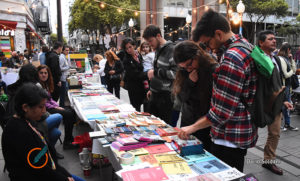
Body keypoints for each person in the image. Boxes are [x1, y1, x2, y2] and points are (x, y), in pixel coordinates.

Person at [178, 10, 258, 172]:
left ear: (218, 34)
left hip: (229, 137)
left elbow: (221, 112)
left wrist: (192, 127)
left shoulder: (231, 59)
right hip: (240, 131)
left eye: (207, 43)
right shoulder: (246, 45)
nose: (208, 49)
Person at [2, 83, 84, 181]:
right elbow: (39, 169)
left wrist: (64, 174)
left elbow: (44, 158)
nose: (44, 110)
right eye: (40, 107)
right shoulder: (19, 132)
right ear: (25, 107)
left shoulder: (28, 121)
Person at [258, 30, 293, 175]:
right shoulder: (256, 59)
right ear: (261, 42)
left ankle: (268, 161)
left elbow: (279, 83)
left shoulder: (277, 59)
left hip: (275, 105)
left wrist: (284, 100)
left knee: (275, 133)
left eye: (274, 39)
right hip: (258, 104)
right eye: (270, 39)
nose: (274, 41)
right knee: (249, 133)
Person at [173, 41, 218, 152]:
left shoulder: (213, 70)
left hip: (205, 124)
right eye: (183, 67)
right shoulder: (184, 72)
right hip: (188, 121)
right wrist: (189, 82)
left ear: (197, 55)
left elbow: (215, 105)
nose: (188, 69)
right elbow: (180, 97)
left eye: (189, 64)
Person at [37, 65, 77, 149]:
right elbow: (44, 103)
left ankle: (69, 138)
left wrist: (57, 106)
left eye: (45, 73)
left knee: (72, 111)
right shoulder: (38, 86)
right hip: (45, 110)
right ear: (37, 74)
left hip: (50, 107)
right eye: (41, 73)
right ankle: (67, 142)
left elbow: (50, 99)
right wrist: (55, 107)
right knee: (69, 114)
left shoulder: (45, 84)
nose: (44, 75)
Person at [143, 25, 177, 124]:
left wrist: (155, 72)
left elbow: (176, 74)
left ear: (158, 36)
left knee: (163, 128)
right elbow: (158, 69)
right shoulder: (158, 49)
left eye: (150, 41)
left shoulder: (172, 50)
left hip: (166, 98)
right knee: (152, 126)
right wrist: (152, 89)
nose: (149, 44)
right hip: (155, 94)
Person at [122, 38, 147, 111]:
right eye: (126, 48)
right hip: (133, 87)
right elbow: (133, 74)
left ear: (134, 46)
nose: (129, 50)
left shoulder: (138, 55)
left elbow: (142, 66)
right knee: (136, 107)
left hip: (142, 85)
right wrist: (146, 74)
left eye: (130, 47)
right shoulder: (126, 59)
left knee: (146, 105)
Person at [277, 43, 298, 131]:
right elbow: (285, 74)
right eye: (290, 50)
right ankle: (286, 124)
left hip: (287, 86)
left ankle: (286, 124)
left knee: (285, 105)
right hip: (284, 85)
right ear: (287, 50)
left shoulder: (286, 59)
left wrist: (292, 59)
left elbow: (295, 68)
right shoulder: (281, 59)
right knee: (285, 105)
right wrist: (292, 73)